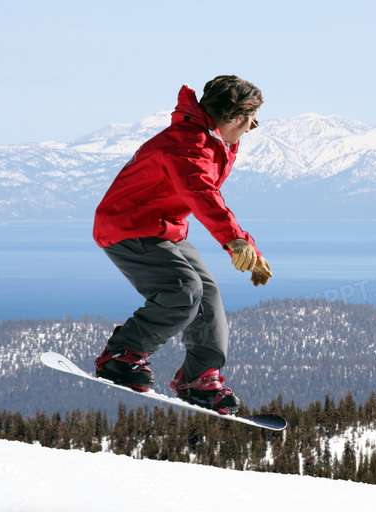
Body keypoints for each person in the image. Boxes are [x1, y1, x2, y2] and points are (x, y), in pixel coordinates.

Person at [92, 75, 272, 415]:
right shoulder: (186, 145)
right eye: (252, 120)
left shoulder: (211, 139)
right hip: (127, 226)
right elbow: (202, 194)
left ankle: (200, 378)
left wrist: (250, 249)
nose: (252, 128)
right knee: (183, 289)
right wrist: (236, 241)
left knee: (207, 293)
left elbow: (207, 194)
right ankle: (122, 354)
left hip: (164, 228)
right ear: (236, 117)